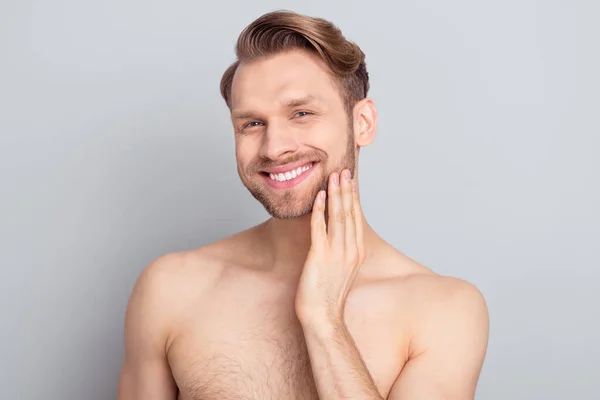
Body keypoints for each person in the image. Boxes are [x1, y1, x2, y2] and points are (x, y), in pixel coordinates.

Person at [117, 10, 489, 400]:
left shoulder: (443, 311)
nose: (275, 147)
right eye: (251, 124)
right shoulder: (171, 289)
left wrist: (324, 322)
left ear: (362, 123)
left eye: (302, 113)